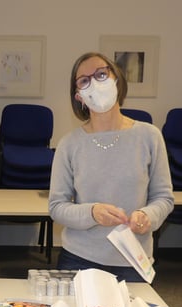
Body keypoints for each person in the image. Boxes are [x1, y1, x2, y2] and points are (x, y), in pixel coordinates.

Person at [48, 52, 174, 281]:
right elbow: (57, 207)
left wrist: (147, 216)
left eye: (101, 74)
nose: (94, 83)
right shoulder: (69, 144)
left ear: (116, 78)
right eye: (84, 80)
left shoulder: (149, 136)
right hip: (79, 259)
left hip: (133, 259)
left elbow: (164, 198)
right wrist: (92, 212)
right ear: (79, 96)